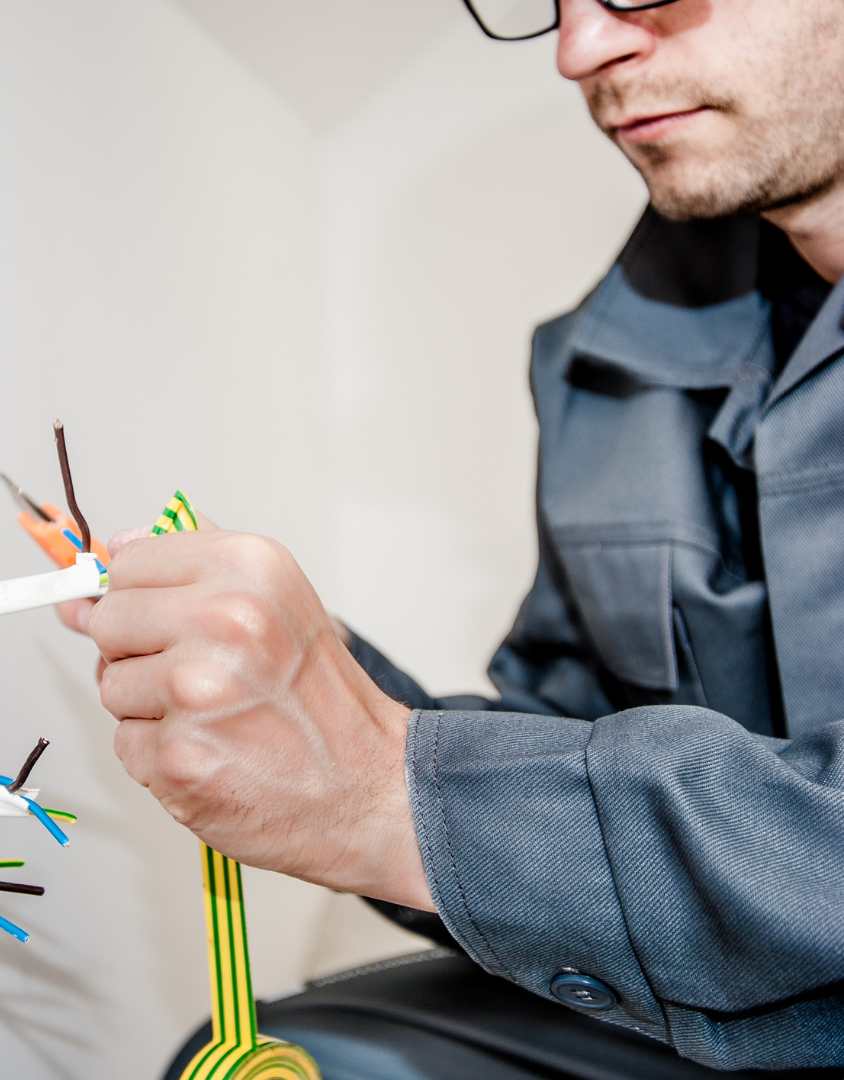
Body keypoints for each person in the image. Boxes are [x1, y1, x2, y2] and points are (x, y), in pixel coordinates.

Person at [59, 0, 844, 1069]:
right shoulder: (599, 365)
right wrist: (322, 701)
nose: (579, 51)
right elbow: (563, 746)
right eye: (553, 3)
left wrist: (393, 796)